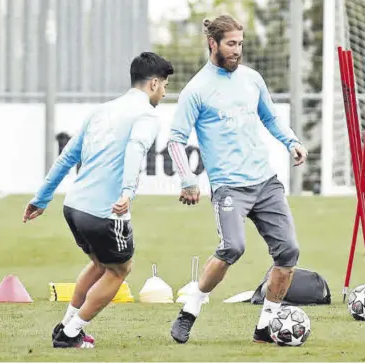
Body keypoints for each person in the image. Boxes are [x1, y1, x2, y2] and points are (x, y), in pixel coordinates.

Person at [168, 15, 308, 344]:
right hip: (230, 186)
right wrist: (188, 180)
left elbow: (271, 117)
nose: (237, 51)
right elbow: (175, 139)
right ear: (212, 44)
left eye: (240, 44)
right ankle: (190, 310)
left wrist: (292, 142)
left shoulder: (252, 79)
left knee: (289, 252)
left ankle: (265, 327)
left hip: (266, 182)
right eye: (231, 44)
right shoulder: (196, 90)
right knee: (233, 246)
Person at [23, 52, 173, 348]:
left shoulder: (101, 111)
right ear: (154, 83)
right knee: (120, 270)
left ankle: (66, 325)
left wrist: (41, 198)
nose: (165, 92)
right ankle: (70, 334)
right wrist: (128, 191)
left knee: (101, 265)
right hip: (105, 212)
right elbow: (135, 149)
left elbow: (67, 157)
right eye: (165, 85)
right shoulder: (146, 115)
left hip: (74, 207)